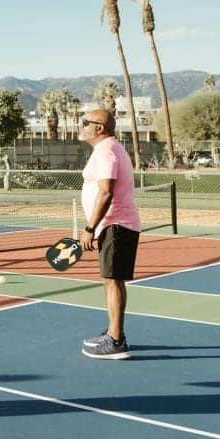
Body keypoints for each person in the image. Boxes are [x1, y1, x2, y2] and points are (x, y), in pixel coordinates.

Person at [78, 108, 141, 360]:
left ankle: (116, 341)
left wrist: (89, 228)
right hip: (113, 226)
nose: (81, 126)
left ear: (100, 128)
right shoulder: (108, 149)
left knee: (113, 280)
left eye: (85, 123)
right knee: (110, 279)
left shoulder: (106, 151)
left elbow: (106, 192)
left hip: (116, 225)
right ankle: (114, 332)